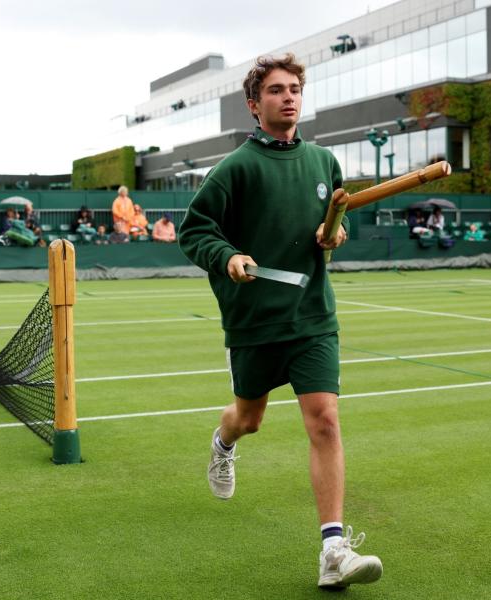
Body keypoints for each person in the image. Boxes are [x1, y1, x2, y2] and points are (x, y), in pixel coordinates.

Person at [178, 53, 382, 591]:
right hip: (254, 323)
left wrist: (333, 235)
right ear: (254, 104)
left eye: (294, 88)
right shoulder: (234, 169)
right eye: (275, 90)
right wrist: (227, 256)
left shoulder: (324, 164)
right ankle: (223, 445)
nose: (288, 96)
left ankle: (333, 550)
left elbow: (332, 230)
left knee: (325, 420)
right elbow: (193, 231)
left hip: (313, 315)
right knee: (249, 419)